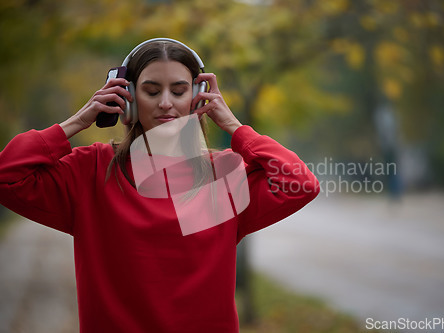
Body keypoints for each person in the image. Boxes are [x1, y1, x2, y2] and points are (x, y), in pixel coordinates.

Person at [0, 38, 320, 332]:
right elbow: (7, 176)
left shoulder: (223, 177)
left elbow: (300, 182)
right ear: (128, 99)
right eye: (152, 92)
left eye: (179, 91)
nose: (165, 103)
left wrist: (234, 126)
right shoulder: (90, 172)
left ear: (197, 98)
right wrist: (79, 120)